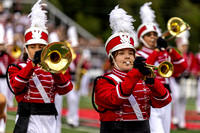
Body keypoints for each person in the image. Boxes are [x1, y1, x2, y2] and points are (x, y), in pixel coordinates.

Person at [93, 5, 172, 133]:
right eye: (122, 53)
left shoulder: (142, 79)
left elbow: (164, 100)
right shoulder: (103, 81)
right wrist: (136, 72)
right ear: (112, 59)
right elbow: (116, 99)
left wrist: (152, 81)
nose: (127, 57)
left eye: (130, 53)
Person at [6, 0, 73, 133]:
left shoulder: (52, 68)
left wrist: (54, 70)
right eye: (33, 47)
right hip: (28, 118)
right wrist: (32, 65)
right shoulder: (17, 68)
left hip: (49, 119)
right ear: (26, 49)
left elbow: (66, 89)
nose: (37, 50)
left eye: (41, 47)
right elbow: (16, 86)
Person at [136, 2, 187, 133]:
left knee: (165, 130)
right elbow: (147, 67)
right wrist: (158, 50)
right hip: (150, 97)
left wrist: (169, 49)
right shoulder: (138, 54)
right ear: (141, 38)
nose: (153, 37)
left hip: (166, 95)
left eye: (154, 34)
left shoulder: (164, 52)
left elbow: (182, 66)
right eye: (148, 35)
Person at [170, 30, 197, 129]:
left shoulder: (190, 55)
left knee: (183, 100)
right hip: (175, 79)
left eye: (185, 45)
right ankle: (175, 118)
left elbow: (193, 66)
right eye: (183, 45)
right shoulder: (174, 53)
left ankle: (182, 122)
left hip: (184, 80)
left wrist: (192, 72)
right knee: (176, 98)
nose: (184, 47)